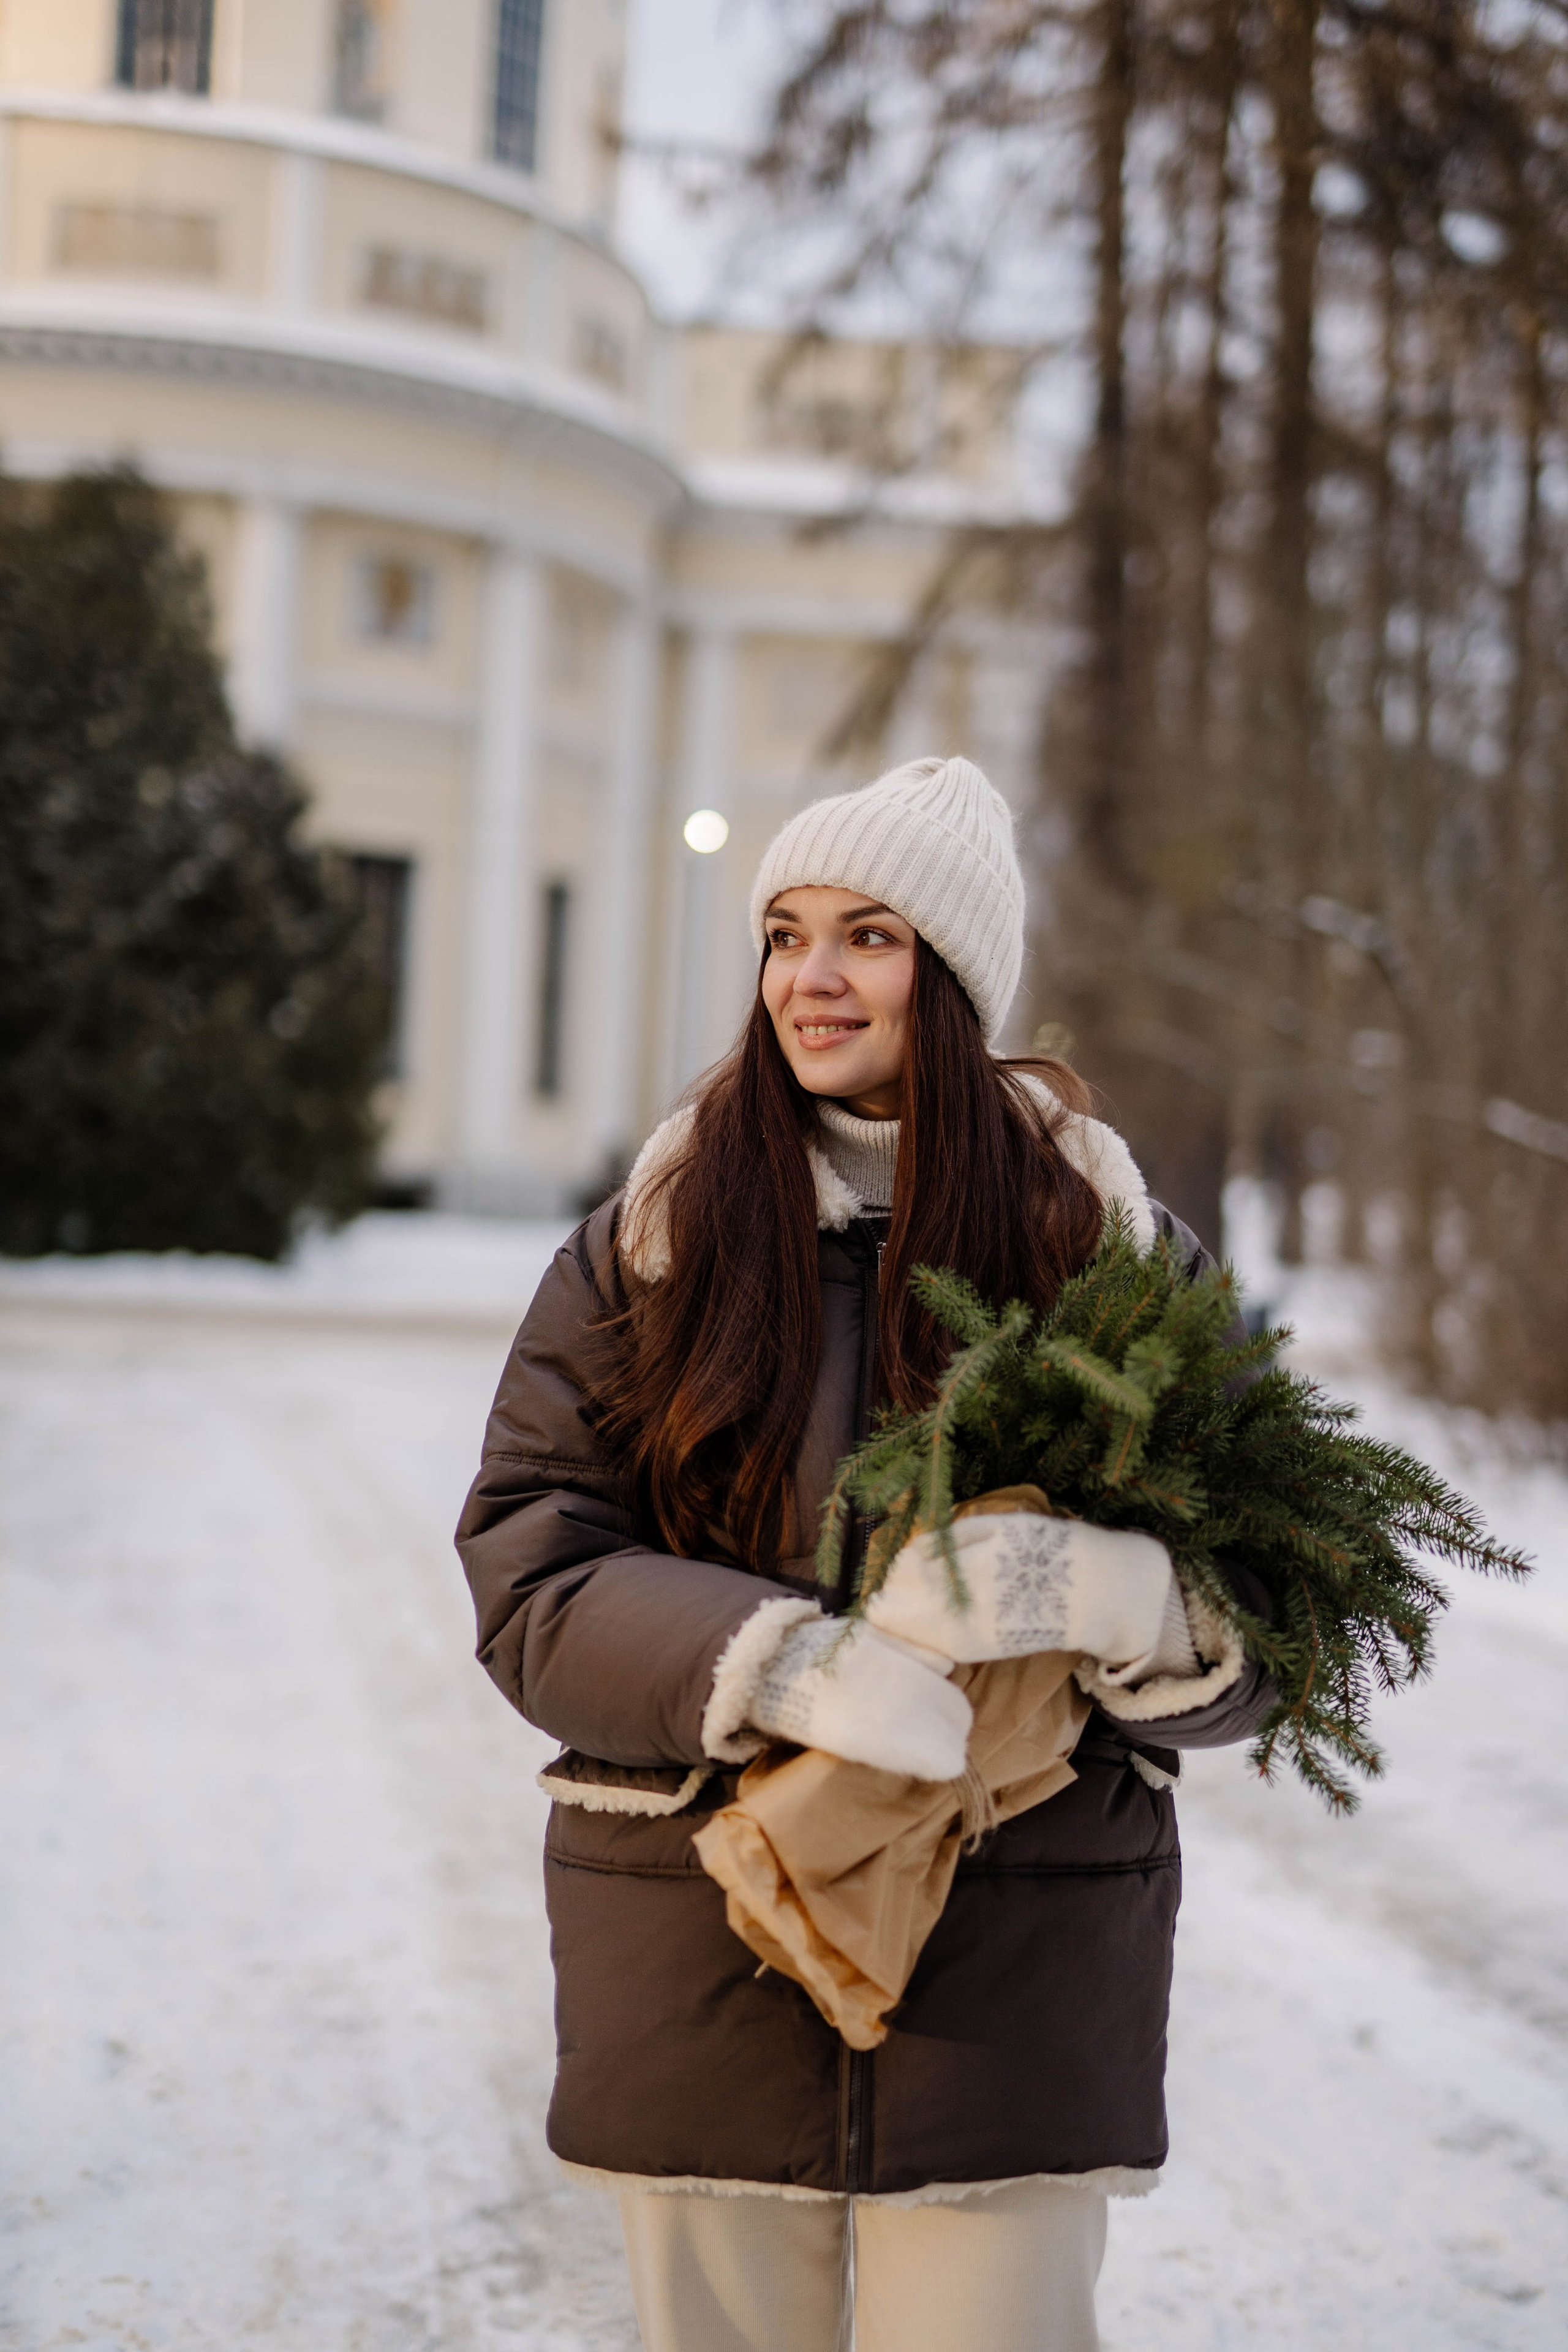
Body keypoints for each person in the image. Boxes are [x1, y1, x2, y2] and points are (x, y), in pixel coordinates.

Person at [456, 756, 1273, 2352]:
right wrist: (786, 1664)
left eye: (869, 936)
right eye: (784, 931)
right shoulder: (656, 1237)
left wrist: (1126, 1599)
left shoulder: (1102, 1254)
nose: (809, 977)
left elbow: (1289, 1591)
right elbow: (532, 1564)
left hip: (1012, 1963)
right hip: (701, 1936)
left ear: (954, 978)